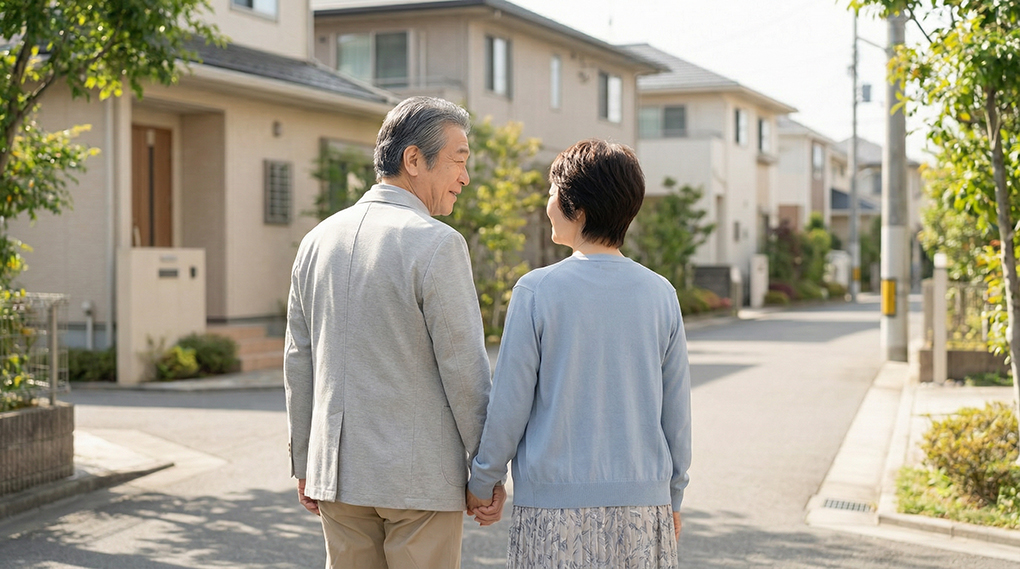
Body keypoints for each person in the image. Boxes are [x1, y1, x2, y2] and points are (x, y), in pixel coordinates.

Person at [284, 96, 505, 569]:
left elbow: (298, 361)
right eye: (459, 161)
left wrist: (305, 462)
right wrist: (486, 474)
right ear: (412, 160)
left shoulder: (316, 241)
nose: (465, 178)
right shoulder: (436, 243)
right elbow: (464, 368)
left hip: (337, 477)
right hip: (418, 484)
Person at [466, 139, 692, 568]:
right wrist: (673, 494)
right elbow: (676, 413)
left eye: (552, 192)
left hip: (553, 510)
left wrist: (483, 480)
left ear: (579, 208)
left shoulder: (536, 291)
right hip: (644, 506)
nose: (547, 203)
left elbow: (509, 405)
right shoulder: (661, 294)